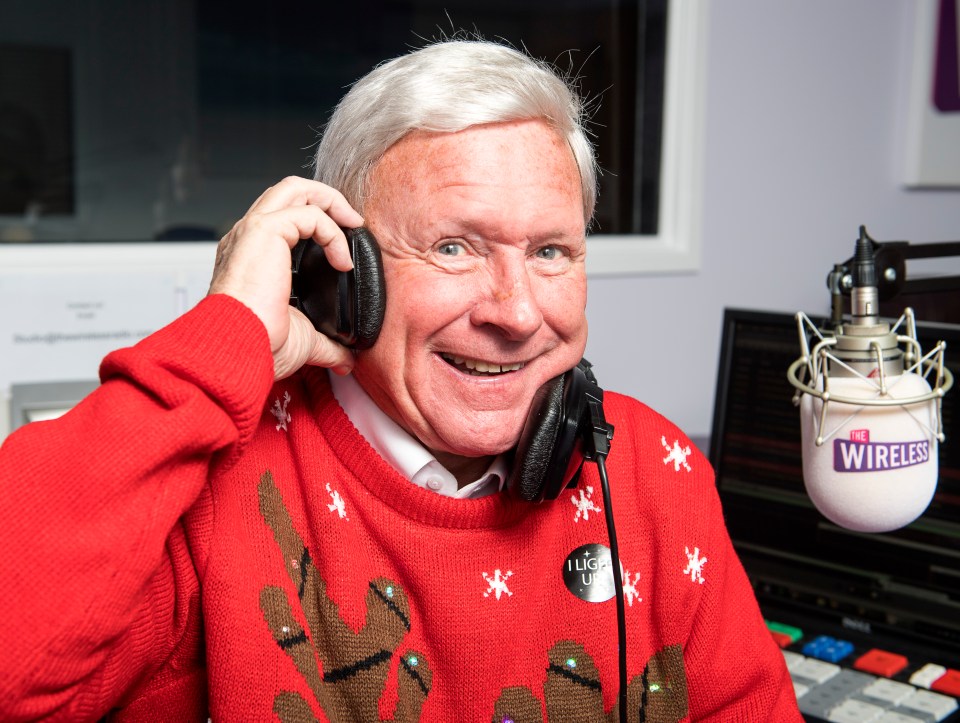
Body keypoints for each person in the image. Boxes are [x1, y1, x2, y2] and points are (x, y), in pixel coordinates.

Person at [0, 40, 801, 722]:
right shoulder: (215, 483)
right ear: (346, 273)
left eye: (551, 251)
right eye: (456, 247)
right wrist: (225, 342)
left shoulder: (653, 472)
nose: (517, 312)